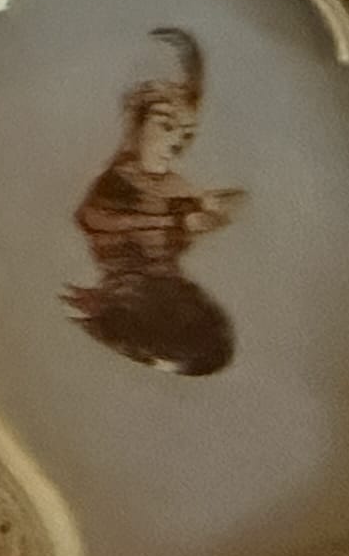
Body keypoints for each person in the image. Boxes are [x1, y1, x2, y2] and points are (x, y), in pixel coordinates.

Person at [64, 29, 246, 376]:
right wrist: (174, 222)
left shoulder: (173, 185)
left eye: (186, 136)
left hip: (163, 289)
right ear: (137, 124)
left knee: (212, 343)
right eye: (166, 127)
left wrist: (202, 213)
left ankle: (162, 343)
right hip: (136, 290)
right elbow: (94, 218)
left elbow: (223, 209)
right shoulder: (118, 181)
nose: (176, 146)